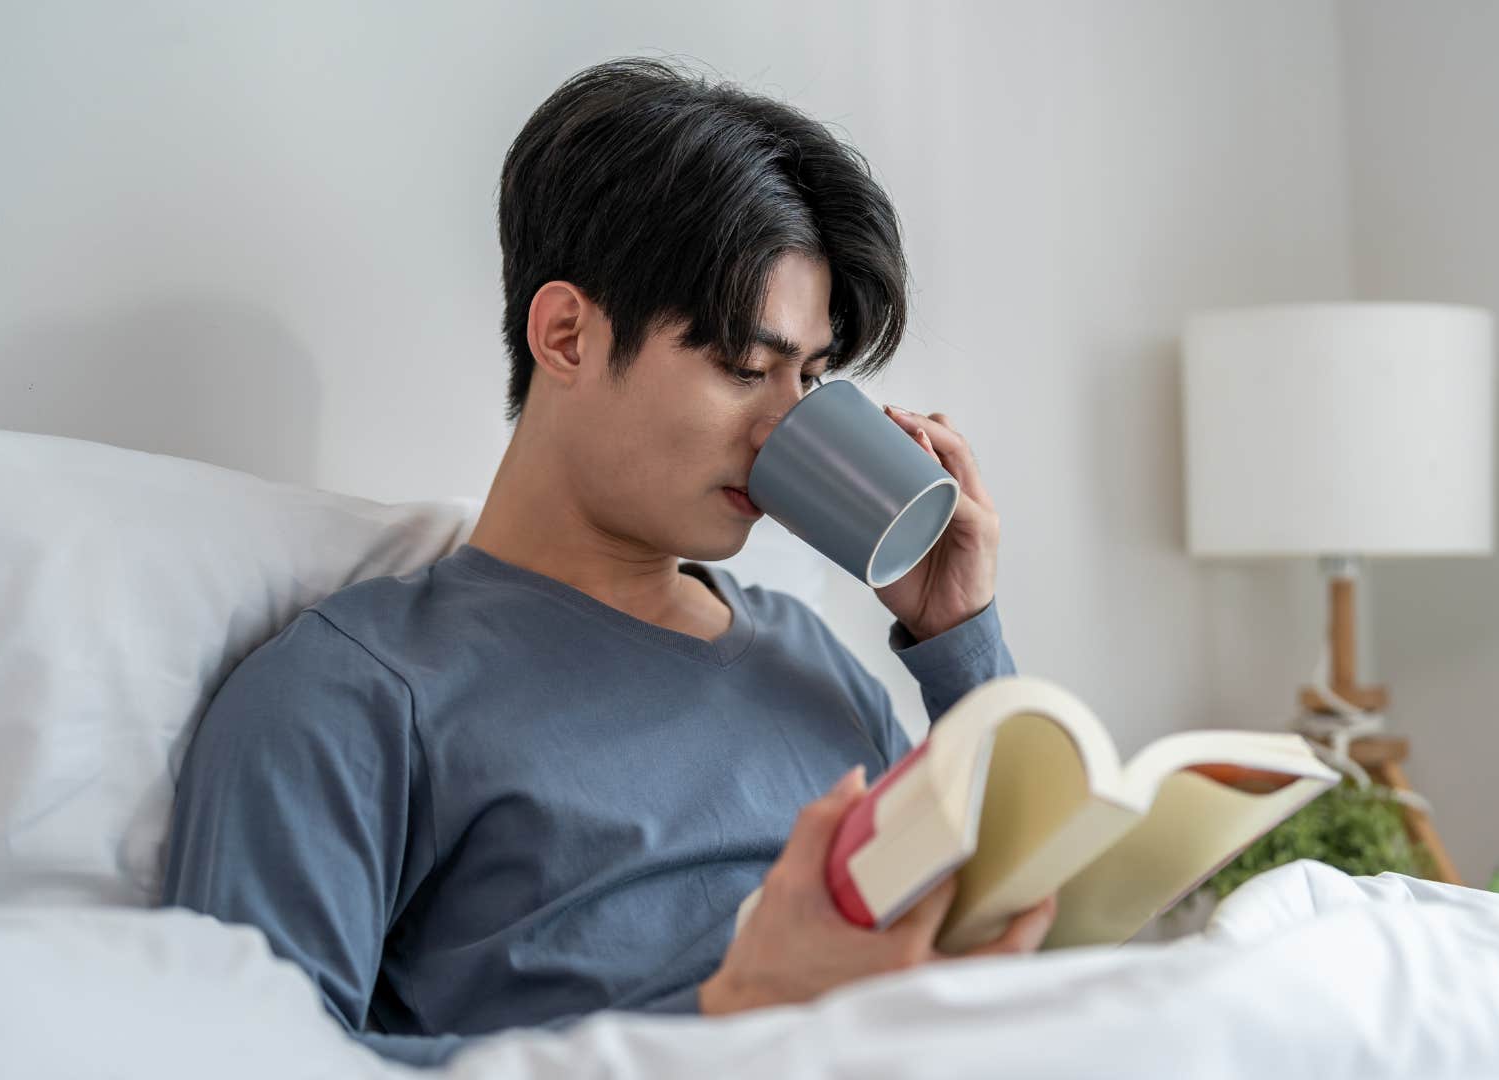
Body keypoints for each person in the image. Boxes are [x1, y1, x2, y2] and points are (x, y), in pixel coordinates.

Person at [161, 57, 1056, 1068]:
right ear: (567, 335)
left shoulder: (812, 659)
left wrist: (959, 639)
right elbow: (241, 1059)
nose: (785, 430)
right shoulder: (352, 696)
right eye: (742, 367)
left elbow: (1012, 936)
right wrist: (735, 1011)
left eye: (808, 380)